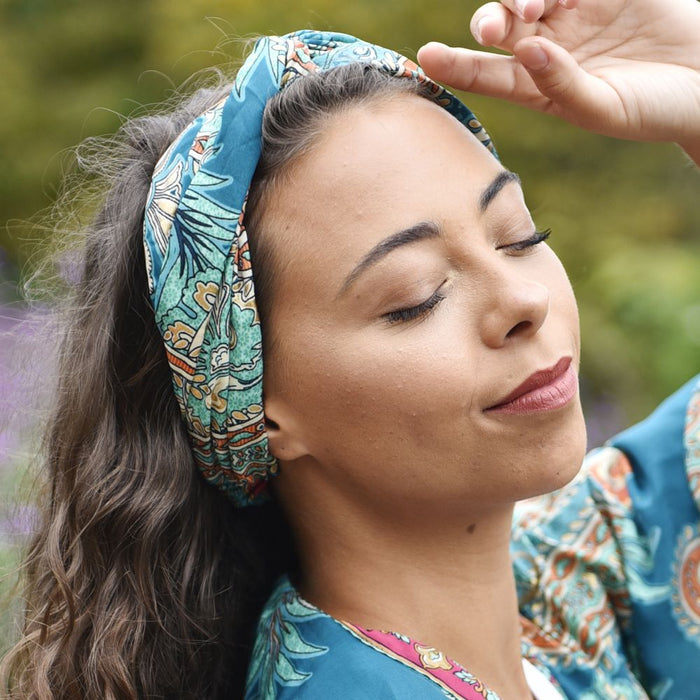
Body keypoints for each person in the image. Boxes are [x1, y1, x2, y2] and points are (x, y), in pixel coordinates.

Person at [1, 0, 699, 698]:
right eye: (417, 296)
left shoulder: (565, 596)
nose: (523, 301)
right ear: (254, 407)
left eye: (518, 237)